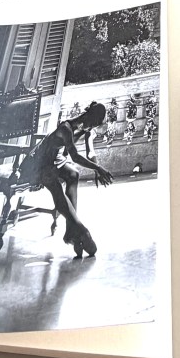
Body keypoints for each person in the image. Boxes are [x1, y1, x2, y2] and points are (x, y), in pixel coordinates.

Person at [17, 102, 113, 258]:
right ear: (87, 117)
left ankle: (70, 231)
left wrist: (96, 168)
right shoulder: (65, 128)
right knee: (53, 182)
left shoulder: (81, 128)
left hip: (54, 160)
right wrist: (98, 168)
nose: (91, 128)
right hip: (37, 164)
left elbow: (86, 152)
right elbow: (74, 156)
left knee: (73, 174)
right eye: (92, 124)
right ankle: (81, 230)